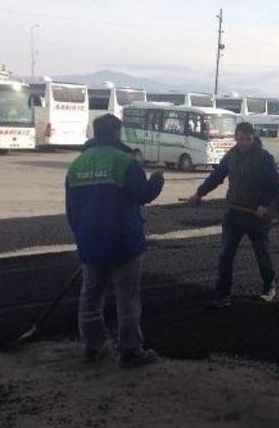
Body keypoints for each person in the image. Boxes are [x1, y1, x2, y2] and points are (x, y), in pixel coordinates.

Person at [65, 114, 164, 368]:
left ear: (95, 133)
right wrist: (157, 180)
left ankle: (92, 346)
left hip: (90, 243)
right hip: (123, 242)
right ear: (117, 134)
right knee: (127, 299)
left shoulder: (76, 165)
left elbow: (71, 210)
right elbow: (142, 196)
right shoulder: (125, 162)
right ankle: (130, 351)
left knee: (90, 298)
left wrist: (83, 239)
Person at [187, 122, 279, 308]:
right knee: (225, 255)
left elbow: (276, 186)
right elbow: (217, 176)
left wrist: (265, 204)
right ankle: (223, 295)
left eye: (247, 139)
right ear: (236, 138)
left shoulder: (264, 158)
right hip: (233, 213)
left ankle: (269, 287)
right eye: (240, 139)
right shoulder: (232, 156)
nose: (244, 143)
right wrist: (200, 193)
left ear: (253, 138)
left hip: (256, 216)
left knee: (262, 253)